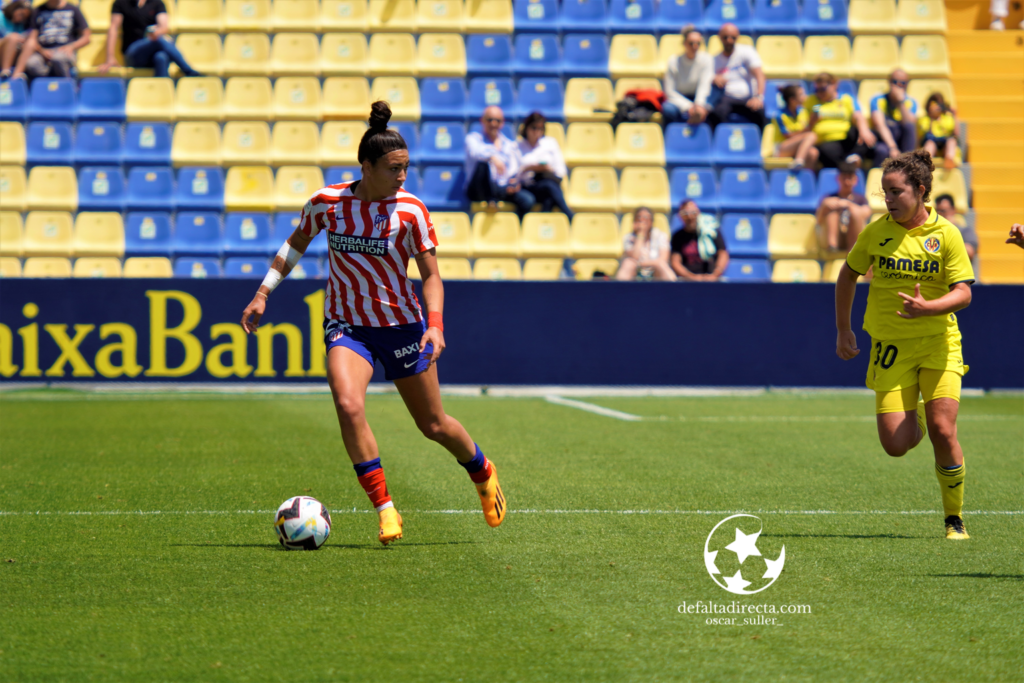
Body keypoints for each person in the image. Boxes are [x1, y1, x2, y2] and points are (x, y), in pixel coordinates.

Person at [241, 101, 507, 546]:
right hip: (348, 325)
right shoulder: (328, 203)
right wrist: (263, 291)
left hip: (403, 326)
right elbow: (295, 244)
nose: (402, 177)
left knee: (433, 425)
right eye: (393, 169)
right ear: (366, 166)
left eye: (406, 168)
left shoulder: (411, 211)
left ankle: (482, 471)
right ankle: (385, 508)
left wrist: (435, 325)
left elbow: (432, 276)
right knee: (348, 404)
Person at [835, 150, 975, 541]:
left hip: (938, 343)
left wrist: (930, 307)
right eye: (884, 193)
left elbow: (963, 293)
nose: (889, 199)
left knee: (943, 429)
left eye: (896, 192)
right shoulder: (875, 232)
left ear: (921, 190)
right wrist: (843, 329)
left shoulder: (946, 234)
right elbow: (847, 277)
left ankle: (954, 519)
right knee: (896, 445)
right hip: (891, 346)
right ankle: (913, 417)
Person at [99, 0, 201, 78]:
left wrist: (156, 32)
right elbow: (113, 28)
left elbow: (164, 27)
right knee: (159, 40)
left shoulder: (157, 3)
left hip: (153, 51)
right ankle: (189, 71)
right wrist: (110, 57)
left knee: (161, 57)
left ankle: (163, 96)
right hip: (133, 54)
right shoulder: (121, 3)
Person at [464, 105, 533, 219]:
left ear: (502, 123)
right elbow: (475, 153)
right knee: (483, 164)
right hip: (478, 188)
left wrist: (514, 182)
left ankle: (515, 228)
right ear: (482, 121)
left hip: (500, 188)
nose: (493, 124)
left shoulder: (509, 144)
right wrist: (492, 157)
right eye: (490, 120)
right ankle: (491, 199)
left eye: (497, 120)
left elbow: (513, 169)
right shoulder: (473, 139)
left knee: (527, 200)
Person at [805, 72, 876, 169]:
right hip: (826, 142)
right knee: (825, 150)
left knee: (865, 134)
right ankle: (847, 166)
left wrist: (864, 130)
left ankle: (854, 156)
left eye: (823, 89)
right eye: (817, 89)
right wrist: (812, 121)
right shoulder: (812, 101)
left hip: (846, 140)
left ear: (834, 84)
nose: (819, 93)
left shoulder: (846, 99)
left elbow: (858, 116)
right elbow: (804, 125)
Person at [707, 23, 766, 130]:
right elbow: (707, 78)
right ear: (719, 37)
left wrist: (758, 97)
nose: (729, 40)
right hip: (727, 98)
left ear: (737, 37)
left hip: (748, 98)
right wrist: (714, 78)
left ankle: (760, 144)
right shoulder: (714, 60)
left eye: (733, 37)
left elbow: (759, 75)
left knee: (761, 112)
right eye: (725, 37)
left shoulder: (747, 51)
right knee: (716, 113)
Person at [10, 0, 90, 79]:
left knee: (58, 59)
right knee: (32, 63)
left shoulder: (73, 10)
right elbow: (32, 38)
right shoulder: (38, 11)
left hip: (64, 51)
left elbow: (86, 38)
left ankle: (67, 86)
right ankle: (47, 86)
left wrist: (71, 46)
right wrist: (42, 51)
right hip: (43, 51)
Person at [515, 111, 573, 220]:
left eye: (540, 129)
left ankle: (541, 226)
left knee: (549, 195)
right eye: (534, 128)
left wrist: (548, 169)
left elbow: (561, 171)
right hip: (527, 186)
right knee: (549, 188)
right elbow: (513, 174)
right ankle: (569, 216)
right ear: (526, 128)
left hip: (546, 182)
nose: (537, 132)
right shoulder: (517, 146)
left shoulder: (550, 143)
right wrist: (529, 168)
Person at [815, 155, 872, 252]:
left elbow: (866, 214)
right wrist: (824, 206)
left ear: (855, 180)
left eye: (849, 178)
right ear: (838, 179)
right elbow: (818, 221)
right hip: (834, 236)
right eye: (844, 178)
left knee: (856, 213)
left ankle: (854, 250)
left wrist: (848, 205)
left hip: (852, 235)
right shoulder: (828, 198)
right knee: (831, 212)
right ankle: (832, 247)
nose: (846, 182)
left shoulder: (861, 199)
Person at [662, 25, 712, 126]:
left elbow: (704, 85)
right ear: (684, 43)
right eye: (691, 43)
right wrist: (689, 106)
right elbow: (670, 91)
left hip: (698, 98)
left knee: (715, 107)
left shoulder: (706, 59)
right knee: (667, 109)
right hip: (679, 98)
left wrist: (698, 105)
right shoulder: (674, 61)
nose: (695, 46)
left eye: (698, 43)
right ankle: (673, 137)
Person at [669, 200, 728, 281]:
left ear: (698, 213)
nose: (690, 217)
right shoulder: (677, 236)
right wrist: (691, 277)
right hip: (687, 279)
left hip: (712, 277)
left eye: (693, 213)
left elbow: (723, 254)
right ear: (680, 216)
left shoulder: (711, 231)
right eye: (685, 214)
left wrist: (716, 274)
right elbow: (675, 262)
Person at [869, 70, 918, 165]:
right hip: (885, 141)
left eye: (903, 83)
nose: (899, 85)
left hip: (902, 142)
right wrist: (893, 147)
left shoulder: (911, 102)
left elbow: (910, 125)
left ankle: (908, 167)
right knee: (881, 151)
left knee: (910, 127)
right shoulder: (878, 100)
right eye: (895, 82)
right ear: (889, 82)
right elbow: (880, 125)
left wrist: (900, 103)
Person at [616, 207, 676, 281]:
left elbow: (663, 259)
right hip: (636, 272)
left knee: (662, 265)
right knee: (627, 263)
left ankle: (674, 290)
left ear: (651, 221)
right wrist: (640, 235)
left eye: (645, 217)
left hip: (655, 271)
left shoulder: (661, 236)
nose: (642, 220)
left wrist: (641, 264)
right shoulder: (628, 238)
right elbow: (635, 257)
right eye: (639, 218)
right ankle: (619, 291)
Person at [771, 83, 818, 169]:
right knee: (811, 135)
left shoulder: (803, 112)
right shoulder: (780, 115)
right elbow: (788, 136)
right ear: (792, 100)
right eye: (801, 94)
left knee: (813, 153)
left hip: (798, 146)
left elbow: (806, 131)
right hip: (782, 148)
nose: (805, 97)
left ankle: (806, 180)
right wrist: (808, 127)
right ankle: (799, 161)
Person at [919, 93, 960, 171]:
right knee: (930, 144)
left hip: (944, 145)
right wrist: (931, 118)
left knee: (952, 141)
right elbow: (922, 133)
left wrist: (955, 115)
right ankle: (926, 162)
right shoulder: (924, 119)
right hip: (932, 142)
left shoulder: (947, 118)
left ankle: (949, 159)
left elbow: (956, 134)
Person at [934, 193, 978, 265]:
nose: (940, 215)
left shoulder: (965, 231)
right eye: (937, 211)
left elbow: (969, 252)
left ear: (953, 210)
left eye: (943, 211)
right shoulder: (933, 232)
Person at [0, 0, 31, 79]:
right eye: (21, 14)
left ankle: (17, 74)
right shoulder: (1, 17)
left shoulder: (20, 25)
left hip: (12, 51)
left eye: (24, 17)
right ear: (14, 8)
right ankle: (5, 70)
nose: (21, 18)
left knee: (29, 44)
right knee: (13, 37)